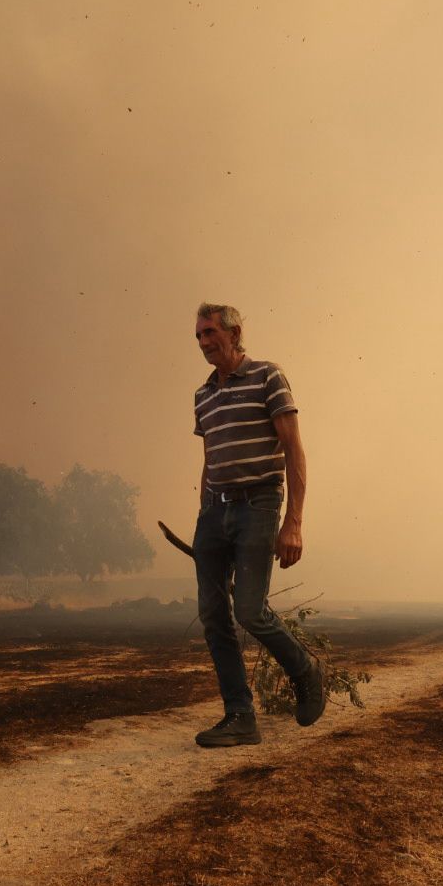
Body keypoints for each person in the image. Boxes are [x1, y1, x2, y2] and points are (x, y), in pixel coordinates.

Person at [189, 302, 324, 747]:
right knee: (213, 615)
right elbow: (211, 458)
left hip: (258, 505)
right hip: (214, 511)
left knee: (249, 610)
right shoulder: (203, 396)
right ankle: (240, 717)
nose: (204, 342)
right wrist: (205, 515)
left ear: (234, 333)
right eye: (199, 336)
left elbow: (294, 449)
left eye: (210, 332)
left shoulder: (268, 376)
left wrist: (294, 523)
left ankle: (306, 671)